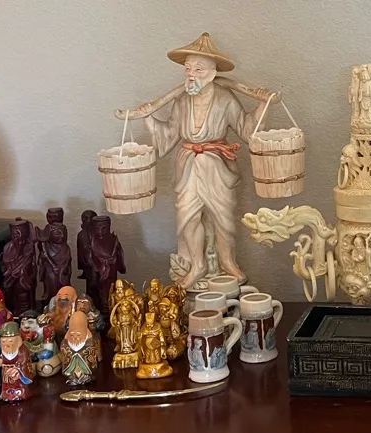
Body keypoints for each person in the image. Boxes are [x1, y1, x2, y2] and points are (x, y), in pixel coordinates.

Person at [115, 32, 277, 289]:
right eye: (188, 68)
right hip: (188, 166)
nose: (191, 74)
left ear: (212, 74)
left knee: (223, 218)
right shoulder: (181, 101)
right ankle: (197, 265)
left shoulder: (225, 99)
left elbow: (247, 130)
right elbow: (169, 134)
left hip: (217, 166)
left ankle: (228, 262)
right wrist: (148, 117)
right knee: (187, 217)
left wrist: (262, 106)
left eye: (198, 69)